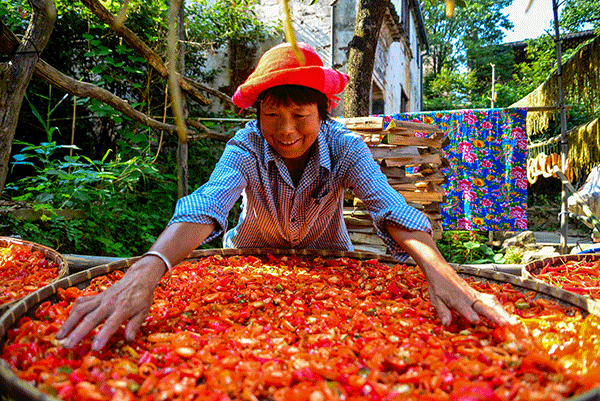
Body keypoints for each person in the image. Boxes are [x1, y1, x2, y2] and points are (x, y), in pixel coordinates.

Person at [56, 42, 510, 351]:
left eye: (301, 114)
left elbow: (388, 206)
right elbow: (210, 202)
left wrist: (439, 270)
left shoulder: (345, 146)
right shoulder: (247, 145)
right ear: (258, 114)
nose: (286, 130)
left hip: (335, 276)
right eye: (273, 114)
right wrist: (148, 269)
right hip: (248, 270)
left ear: (323, 113)